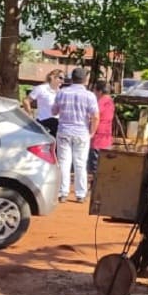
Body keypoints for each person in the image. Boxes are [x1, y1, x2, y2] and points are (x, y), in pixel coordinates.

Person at [52, 67, 99, 203]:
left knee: (64, 163)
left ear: (72, 79)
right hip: (81, 132)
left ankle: (63, 193)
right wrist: (92, 132)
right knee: (80, 163)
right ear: (85, 80)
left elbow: (54, 111)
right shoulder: (90, 96)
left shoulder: (62, 93)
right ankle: (80, 194)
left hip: (64, 131)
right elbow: (95, 116)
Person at [88, 80, 115, 179]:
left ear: (99, 91)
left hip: (98, 135)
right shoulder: (110, 100)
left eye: (94, 90)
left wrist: (91, 132)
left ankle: (95, 184)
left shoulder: (102, 101)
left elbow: (95, 115)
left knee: (96, 165)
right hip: (105, 135)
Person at [24, 69, 63, 135]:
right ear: (52, 77)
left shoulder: (61, 92)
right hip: (44, 122)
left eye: (63, 79)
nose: (62, 81)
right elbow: (26, 100)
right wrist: (30, 114)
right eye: (60, 78)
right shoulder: (41, 88)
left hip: (58, 124)